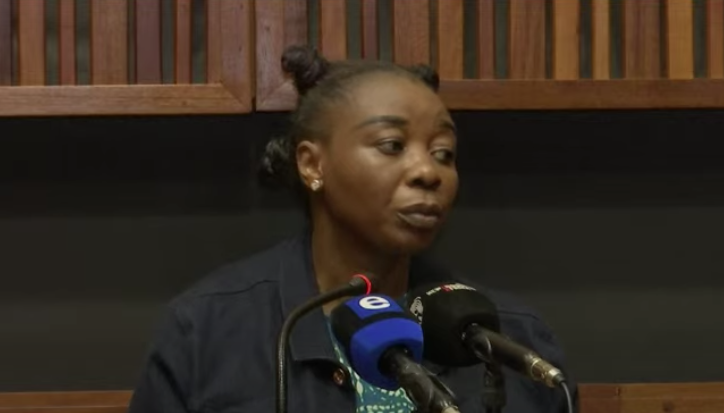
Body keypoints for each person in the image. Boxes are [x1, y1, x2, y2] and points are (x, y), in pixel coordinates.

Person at [128, 45, 578, 413]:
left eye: (443, 152)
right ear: (312, 164)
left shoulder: (512, 341)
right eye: (392, 145)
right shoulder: (207, 331)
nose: (428, 172)